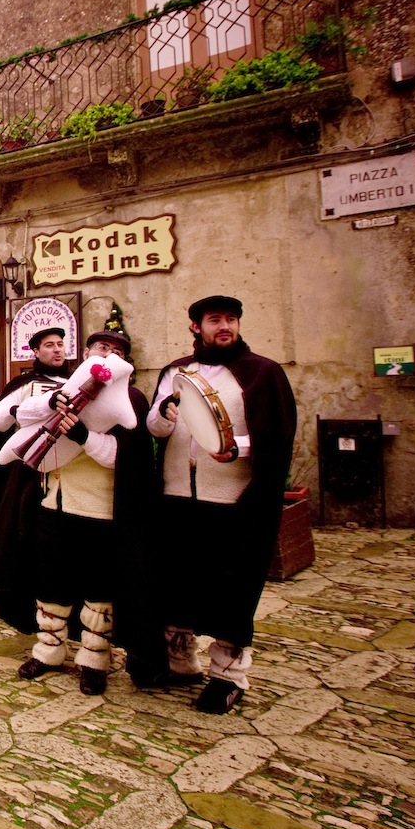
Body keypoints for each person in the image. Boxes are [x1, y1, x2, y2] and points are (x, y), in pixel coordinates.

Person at [146, 295, 296, 715]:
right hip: (176, 496)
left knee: (231, 588)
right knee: (177, 582)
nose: (224, 326)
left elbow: (278, 436)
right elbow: (155, 428)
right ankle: (180, 663)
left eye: (231, 319)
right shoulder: (175, 371)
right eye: (215, 320)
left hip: (232, 501)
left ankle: (229, 676)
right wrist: (164, 415)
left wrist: (235, 448)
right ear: (196, 326)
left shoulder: (263, 373)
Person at [7, 330, 157, 695]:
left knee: (98, 589)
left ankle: (94, 660)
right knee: (50, 583)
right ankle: (49, 652)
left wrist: (84, 439)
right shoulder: (63, 393)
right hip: (54, 503)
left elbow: (126, 460)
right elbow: (23, 424)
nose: (108, 354)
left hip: (101, 510)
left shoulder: (133, 401)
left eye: (117, 351)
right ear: (88, 353)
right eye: (102, 348)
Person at [0, 327, 73, 627]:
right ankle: (24, 600)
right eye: (49, 346)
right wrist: (22, 411)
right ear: (36, 352)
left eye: (60, 345)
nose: (57, 350)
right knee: (23, 532)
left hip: (68, 470)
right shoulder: (26, 384)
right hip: (29, 468)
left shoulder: (75, 383)